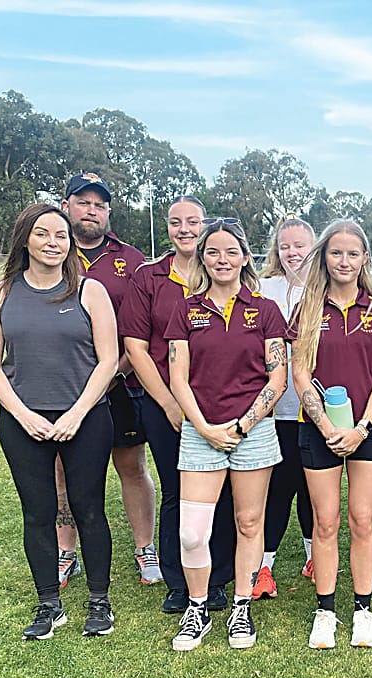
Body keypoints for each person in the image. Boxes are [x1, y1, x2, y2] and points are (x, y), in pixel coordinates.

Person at [0, 202, 119, 640]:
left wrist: (76, 413)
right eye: (43, 234)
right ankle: (49, 605)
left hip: (87, 419)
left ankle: (99, 602)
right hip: (23, 423)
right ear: (26, 239)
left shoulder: (89, 291)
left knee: (89, 509)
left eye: (61, 235)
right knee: (38, 513)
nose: (53, 242)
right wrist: (24, 415)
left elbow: (109, 359)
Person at [165, 218, 287, 652]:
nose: (222, 259)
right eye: (213, 251)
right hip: (200, 432)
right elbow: (178, 378)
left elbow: (278, 379)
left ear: (244, 257)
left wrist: (241, 426)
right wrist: (205, 428)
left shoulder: (265, 311)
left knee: (249, 523)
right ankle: (196, 609)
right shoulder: (187, 309)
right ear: (202, 257)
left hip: (253, 432)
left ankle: (240, 607)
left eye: (231, 251)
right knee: (192, 532)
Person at [120, 197, 238, 616]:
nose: (184, 229)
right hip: (164, 404)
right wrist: (170, 403)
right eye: (175, 222)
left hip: (223, 405)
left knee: (222, 494)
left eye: (193, 222)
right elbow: (135, 345)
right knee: (178, 494)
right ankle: (177, 581)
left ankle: (219, 577)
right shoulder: (149, 276)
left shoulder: (226, 275)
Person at [290, 220, 372, 649]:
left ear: (365, 260)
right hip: (317, 430)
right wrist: (326, 426)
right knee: (326, 520)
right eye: (337, 253)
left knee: (361, 519)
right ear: (325, 256)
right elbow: (300, 375)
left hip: (368, 429)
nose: (344, 261)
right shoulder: (307, 309)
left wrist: (360, 429)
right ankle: (325, 609)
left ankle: (362, 608)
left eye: (353, 254)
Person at [54, 173, 158, 589]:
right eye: (82, 202)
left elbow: (142, 326)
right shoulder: (49, 251)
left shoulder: (130, 260)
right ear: (66, 206)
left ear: (108, 212)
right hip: (63, 386)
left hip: (122, 383)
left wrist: (119, 369)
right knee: (64, 470)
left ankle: (145, 549)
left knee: (131, 464)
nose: (90, 210)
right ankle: (66, 552)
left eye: (99, 204)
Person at [251, 217, 317, 600]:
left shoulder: (325, 289)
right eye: (286, 246)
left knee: (313, 489)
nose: (293, 253)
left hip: (314, 411)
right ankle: (264, 568)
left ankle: (313, 559)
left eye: (301, 245)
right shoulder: (264, 289)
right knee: (277, 490)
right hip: (275, 412)